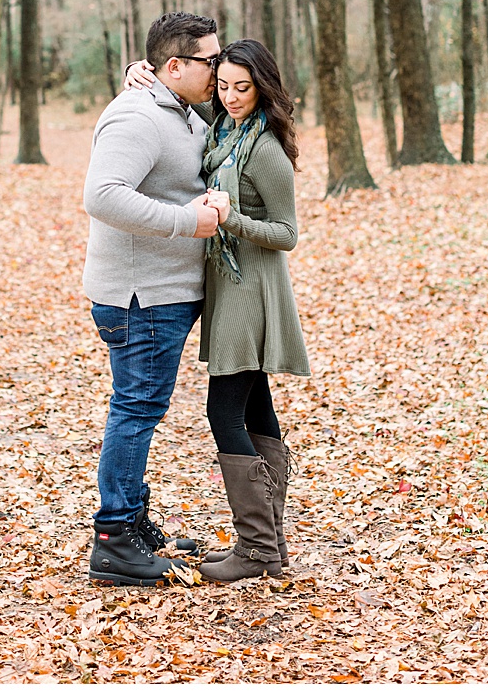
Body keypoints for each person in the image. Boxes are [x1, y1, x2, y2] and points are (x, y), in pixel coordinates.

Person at [127, 39, 309, 582]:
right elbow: (178, 91)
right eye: (223, 85)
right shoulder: (226, 126)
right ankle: (269, 545)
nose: (229, 96)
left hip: (250, 289)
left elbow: (287, 234)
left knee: (223, 412)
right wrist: (141, 72)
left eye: (242, 87)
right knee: (256, 411)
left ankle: (255, 549)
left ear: (263, 87)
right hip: (226, 285)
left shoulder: (266, 148)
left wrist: (229, 219)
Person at [81, 12, 227, 586]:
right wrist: (186, 222)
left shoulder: (179, 110)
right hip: (141, 298)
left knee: (141, 406)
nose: (218, 68)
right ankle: (114, 538)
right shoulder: (138, 114)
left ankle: (134, 523)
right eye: (210, 61)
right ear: (174, 66)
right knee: (136, 408)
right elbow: (102, 195)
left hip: (164, 294)